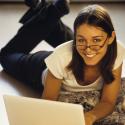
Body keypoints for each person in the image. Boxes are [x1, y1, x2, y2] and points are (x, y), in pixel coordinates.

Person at [0, 1, 125, 125]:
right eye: (80, 39)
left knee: (83, 44)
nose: (88, 48)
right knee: (6, 56)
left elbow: (108, 101)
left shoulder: (116, 51)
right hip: (40, 67)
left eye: (97, 40)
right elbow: (48, 104)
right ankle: (50, 13)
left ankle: (47, 11)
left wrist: (90, 117)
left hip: (74, 54)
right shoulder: (61, 57)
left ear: (111, 38)